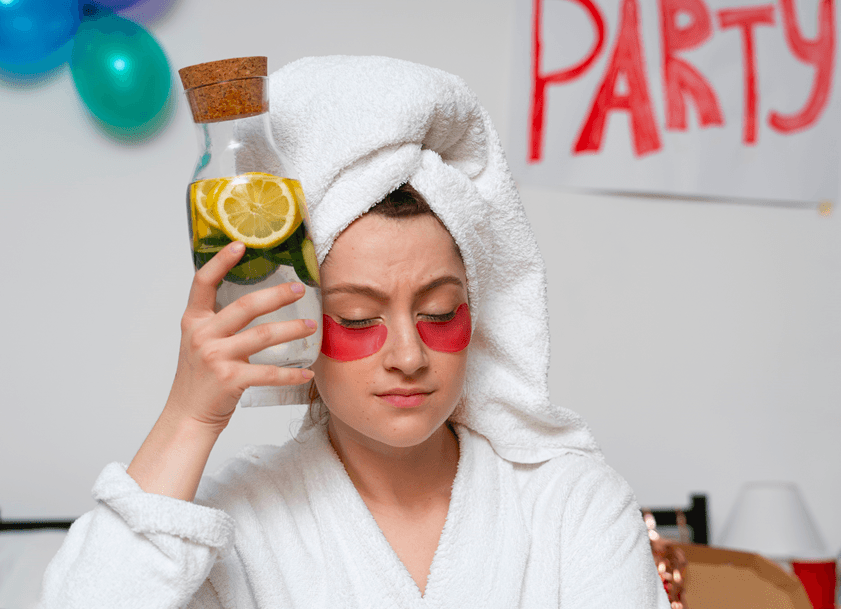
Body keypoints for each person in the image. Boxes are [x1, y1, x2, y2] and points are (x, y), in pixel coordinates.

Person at [39, 56, 669, 608]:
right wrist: (189, 415)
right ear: (304, 319)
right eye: (358, 318)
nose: (408, 355)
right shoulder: (236, 518)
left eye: (441, 311)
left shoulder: (571, 504)